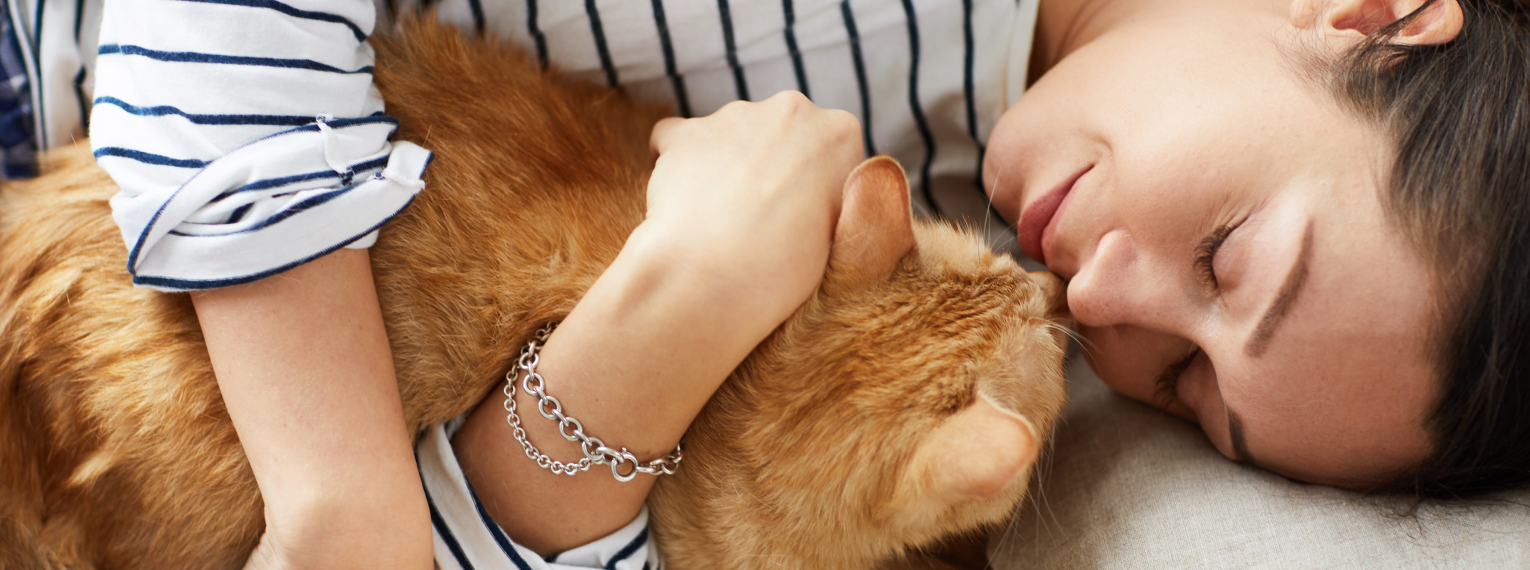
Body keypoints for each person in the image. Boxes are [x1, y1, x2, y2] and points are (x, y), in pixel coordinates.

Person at [0, 0, 1523, 568]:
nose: (1108, 306)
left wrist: (664, 323)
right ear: (1366, 13)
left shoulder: (949, 316)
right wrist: (345, 504)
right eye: (1227, 258)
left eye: (1187, 385)